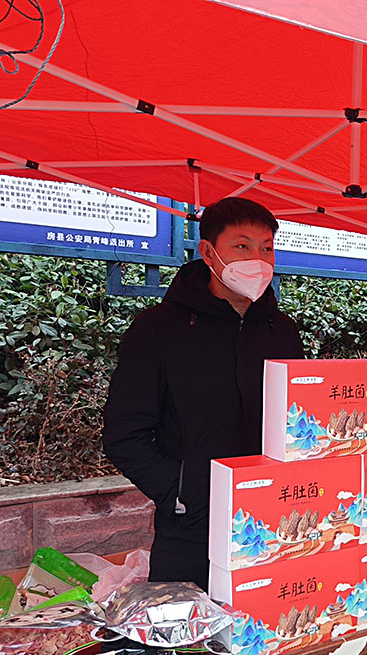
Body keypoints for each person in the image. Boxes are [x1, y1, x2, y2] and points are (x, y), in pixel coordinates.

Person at [103, 197, 304, 589]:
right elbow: (124, 435)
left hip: (275, 518)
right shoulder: (158, 329)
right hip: (192, 528)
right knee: (189, 626)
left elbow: (296, 419)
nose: (258, 260)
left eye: (267, 248)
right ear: (208, 253)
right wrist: (183, 490)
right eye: (242, 246)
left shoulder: (282, 331)